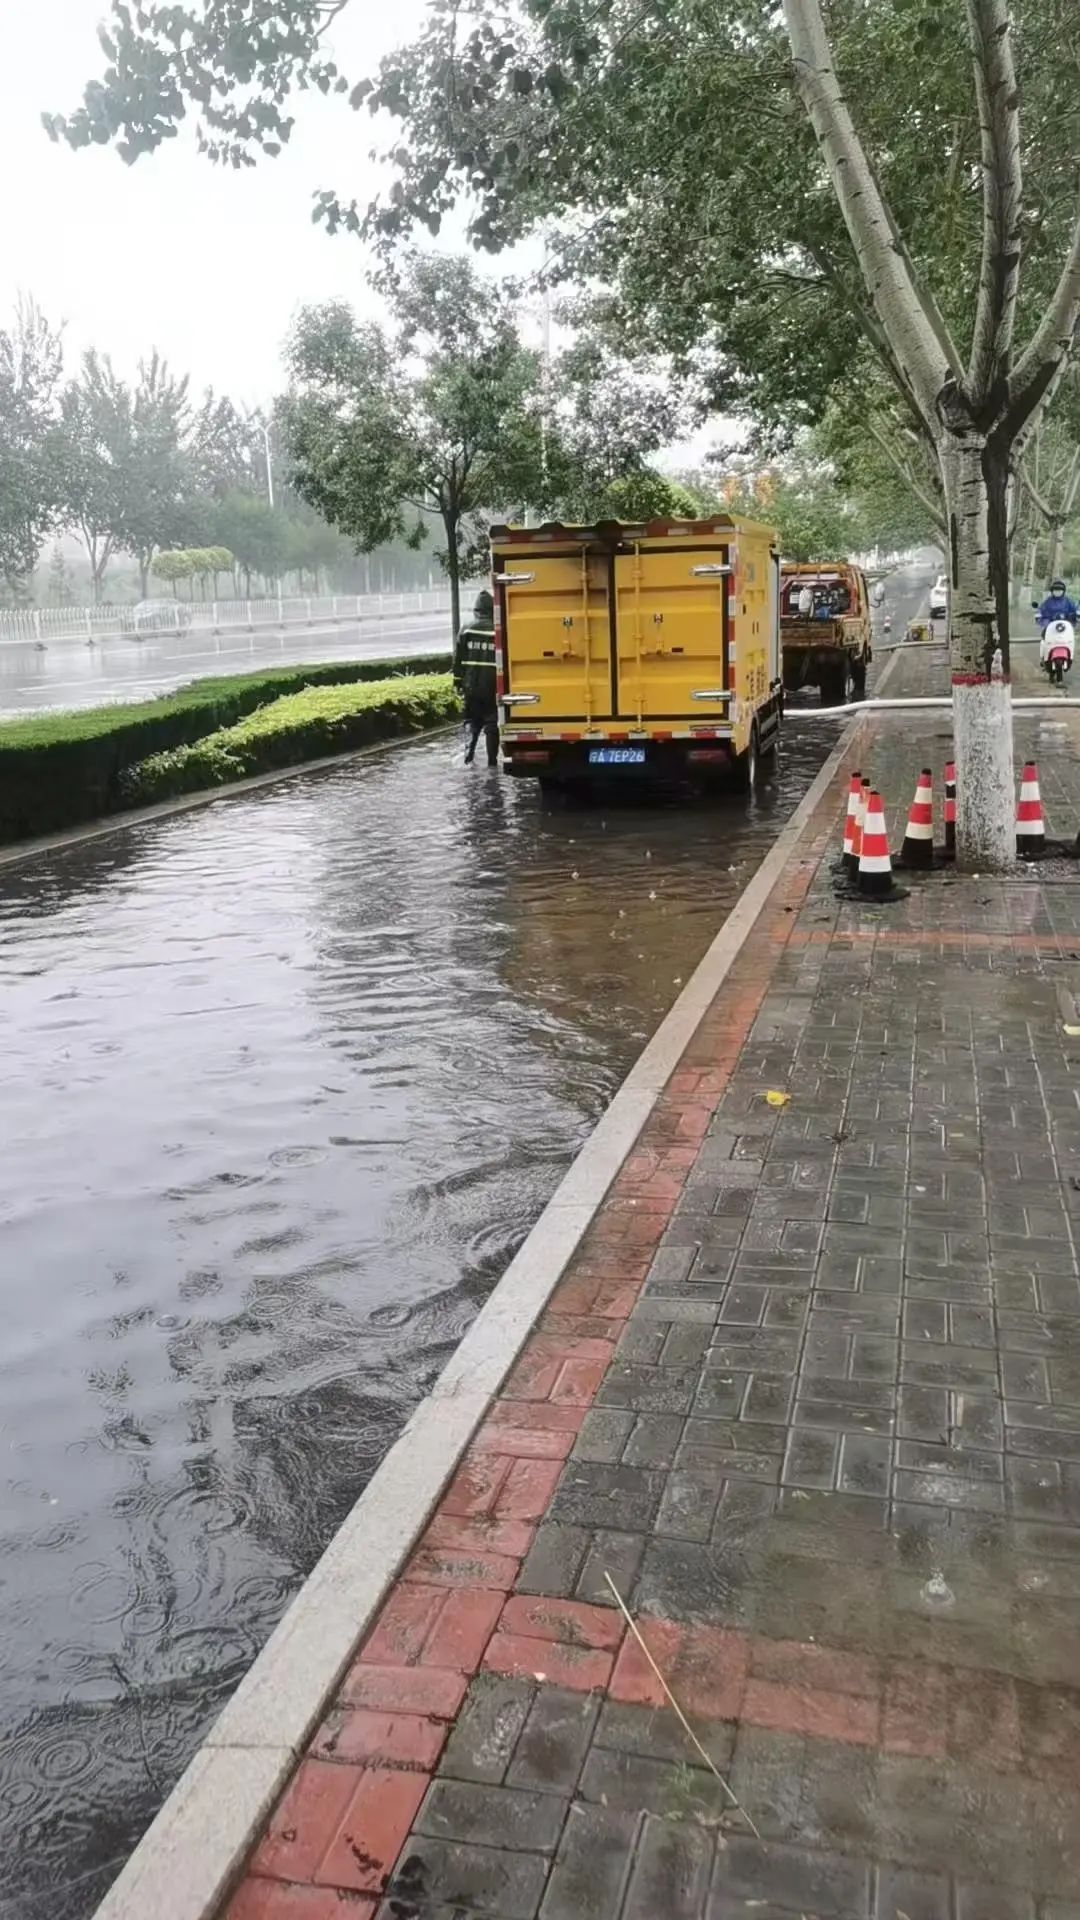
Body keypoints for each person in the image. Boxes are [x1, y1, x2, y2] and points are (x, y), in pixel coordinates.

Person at [453, 587, 499, 766]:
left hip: (470, 684)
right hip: (493, 684)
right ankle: (492, 762)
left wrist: (457, 681)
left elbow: (458, 659)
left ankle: (468, 754)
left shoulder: (466, 629)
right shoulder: (498, 630)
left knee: (471, 720)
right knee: (492, 724)